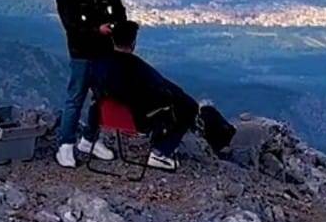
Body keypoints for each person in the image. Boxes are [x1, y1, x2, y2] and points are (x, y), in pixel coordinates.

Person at [89, 20, 235, 170]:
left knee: (184, 107)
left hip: (110, 117)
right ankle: (160, 153)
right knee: (188, 109)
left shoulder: (100, 63)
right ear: (133, 43)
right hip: (139, 119)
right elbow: (162, 88)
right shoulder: (136, 67)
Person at [55, 0, 128, 168]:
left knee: (102, 97)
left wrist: (116, 27)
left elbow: (119, 10)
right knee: (75, 97)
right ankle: (65, 144)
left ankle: (90, 138)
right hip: (82, 53)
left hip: (104, 52)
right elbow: (72, 26)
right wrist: (97, 29)